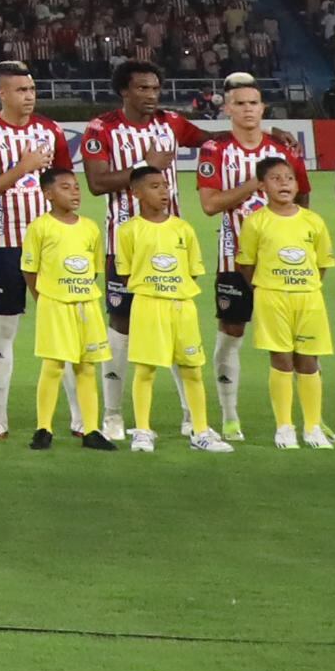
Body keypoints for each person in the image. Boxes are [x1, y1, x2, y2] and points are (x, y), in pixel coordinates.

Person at [0, 60, 73, 441]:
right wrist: (22, 169)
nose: (29, 96)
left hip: (51, 244)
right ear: (1, 94)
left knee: (64, 327)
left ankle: (78, 417)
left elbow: (65, 185)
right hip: (5, 242)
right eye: (20, 90)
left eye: (31, 89)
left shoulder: (51, 130)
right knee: (4, 328)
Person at [81, 57, 187, 433]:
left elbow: (217, 139)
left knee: (176, 322)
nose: (151, 95)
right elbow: (96, 183)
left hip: (170, 244)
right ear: (124, 90)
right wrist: (146, 164)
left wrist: (273, 135)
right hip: (122, 244)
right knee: (121, 324)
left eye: (156, 88)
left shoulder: (172, 123)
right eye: (142, 88)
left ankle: (192, 417)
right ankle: (112, 415)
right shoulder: (101, 128)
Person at [192, 71, 298, 432]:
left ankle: (303, 419)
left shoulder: (282, 149)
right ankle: (229, 416)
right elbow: (210, 205)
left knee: (293, 342)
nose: (248, 109)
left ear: (263, 107)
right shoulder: (215, 150)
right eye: (240, 104)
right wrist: (255, 182)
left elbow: (304, 199)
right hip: (233, 260)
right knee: (231, 333)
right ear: (227, 109)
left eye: (254, 103)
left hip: (282, 261)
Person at [111, 162, 225, 453]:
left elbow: (193, 270)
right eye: (155, 186)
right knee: (146, 369)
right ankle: (142, 431)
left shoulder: (182, 229)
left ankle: (200, 431)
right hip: (148, 306)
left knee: (192, 370)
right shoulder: (128, 231)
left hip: (182, 306)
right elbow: (124, 272)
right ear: (136, 193)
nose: (164, 191)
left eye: (165, 185)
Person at [235, 150, 335, 448]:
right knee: (281, 360)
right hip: (271, 296)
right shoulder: (256, 222)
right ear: (262, 186)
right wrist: (265, 288)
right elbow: (246, 263)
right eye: (276, 178)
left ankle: (313, 427)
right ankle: (284, 427)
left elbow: (321, 265)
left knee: (308, 360)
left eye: (290, 178)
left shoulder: (313, 221)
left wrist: (304, 285)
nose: (284, 183)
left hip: (308, 297)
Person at [17, 162, 114, 449]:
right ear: (48, 194)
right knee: (54, 365)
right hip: (55, 304)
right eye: (65, 187)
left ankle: (91, 430)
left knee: (87, 366)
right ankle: (43, 428)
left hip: (87, 304)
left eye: (76, 187)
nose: (74, 193)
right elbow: (29, 269)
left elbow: (93, 268)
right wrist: (45, 298)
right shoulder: (40, 227)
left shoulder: (90, 228)